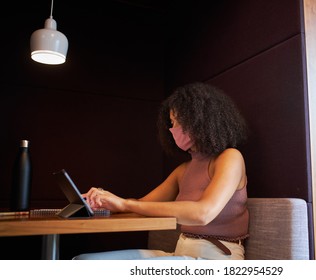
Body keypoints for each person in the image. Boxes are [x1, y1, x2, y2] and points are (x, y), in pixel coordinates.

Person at [74, 82, 249, 260]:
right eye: (172, 123)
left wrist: (125, 204)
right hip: (182, 253)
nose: (173, 129)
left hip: (216, 259)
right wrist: (106, 203)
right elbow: (143, 204)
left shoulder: (230, 157)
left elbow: (202, 214)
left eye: (179, 120)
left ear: (201, 119)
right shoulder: (183, 170)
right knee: (84, 261)